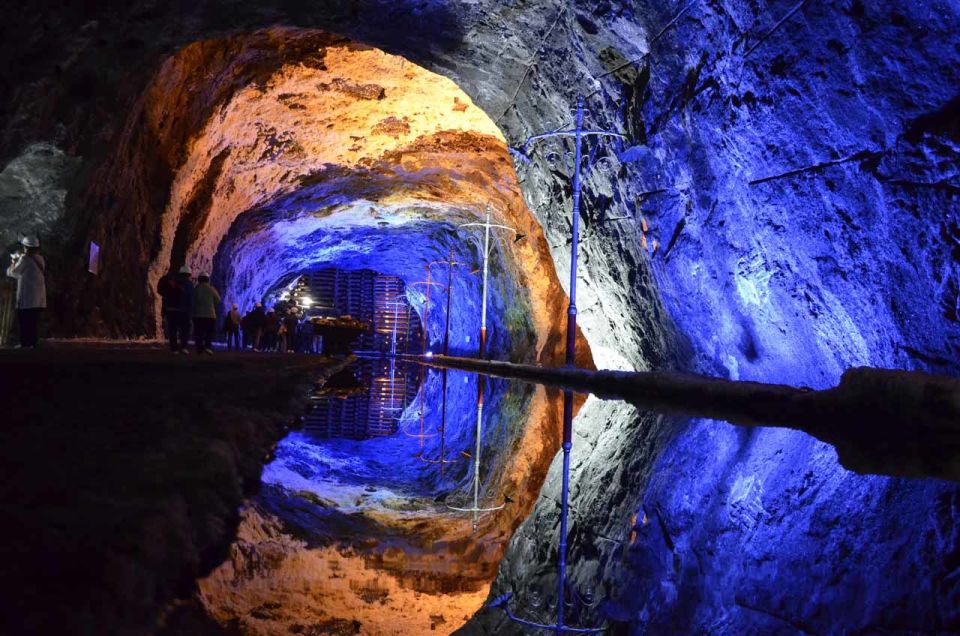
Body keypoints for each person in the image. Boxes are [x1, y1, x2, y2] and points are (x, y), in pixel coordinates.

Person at [5, 236, 46, 348]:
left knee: (24, 321)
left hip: (26, 298)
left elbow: (13, 273)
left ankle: (25, 343)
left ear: (25, 247)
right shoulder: (40, 259)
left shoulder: (25, 259)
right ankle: (33, 342)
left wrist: (13, 261)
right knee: (33, 321)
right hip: (38, 298)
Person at [191, 272, 221, 355]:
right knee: (209, 332)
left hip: (198, 315)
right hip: (210, 315)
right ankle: (207, 347)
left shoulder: (196, 288)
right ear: (208, 279)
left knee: (198, 333)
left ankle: (199, 349)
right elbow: (218, 300)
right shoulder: (211, 289)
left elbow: (192, 301)